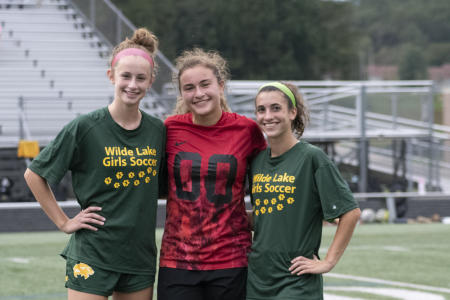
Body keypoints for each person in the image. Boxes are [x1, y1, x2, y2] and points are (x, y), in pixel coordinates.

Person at [23, 28, 165, 300]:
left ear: (150, 82)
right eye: (125, 76)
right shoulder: (85, 127)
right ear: (111, 76)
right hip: (93, 251)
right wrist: (64, 222)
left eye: (140, 78)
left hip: (139, 256)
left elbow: (157, 186)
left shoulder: (158, 130)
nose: (132, 85)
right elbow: (34, 174)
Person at [157, 48, 266, 300]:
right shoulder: (169, 128)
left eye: (205, 84)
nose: (198, 93)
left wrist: (262, 215)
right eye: (189, 87)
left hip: (232, 257)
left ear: (221, 85)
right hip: (178, 259)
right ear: (182, 93)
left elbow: (268, 178)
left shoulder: (246, 130)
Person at [246, 82, 361, 300]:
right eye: (261, 110)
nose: (268, 116)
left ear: (292, 112)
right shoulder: (257, 161)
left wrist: (328, 262)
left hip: (295, 281)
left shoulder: (312, 157)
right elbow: (269, 215)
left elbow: (350, 213)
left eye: (276, 108)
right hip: (257, 279)